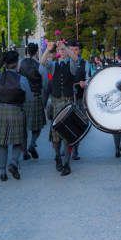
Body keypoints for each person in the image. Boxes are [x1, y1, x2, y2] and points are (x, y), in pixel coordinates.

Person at [0, 50, 32, 182]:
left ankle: (2, 171)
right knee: (17, 141)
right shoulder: (22, 79)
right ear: (16, 64)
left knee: (2, 143)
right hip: (15, 111)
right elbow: (28, 98)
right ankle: (13, 163)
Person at [41, 39, 79, 176]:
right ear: (56, 53)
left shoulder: (71, 64)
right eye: (60, 50)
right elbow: (42, 62)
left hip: (68, 103)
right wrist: (48, 49)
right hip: (56, 103)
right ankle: (57, 157)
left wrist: (65, 47)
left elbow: (75, 59)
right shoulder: (53, 65)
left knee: (67, 135)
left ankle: (67, 164)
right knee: (56, 137)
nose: (61, 52)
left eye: (63, 50)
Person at [18, 43, 47, 160]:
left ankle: (24, 151)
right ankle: (31, 144)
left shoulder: (20, 63)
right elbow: (45, 85)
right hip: (35, 97)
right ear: (36, 52)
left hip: (22, 97)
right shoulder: (40, 66)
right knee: (37, 126)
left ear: (27, 52)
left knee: (24, 126)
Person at [68, 40, 89, 160]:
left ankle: (75, 149)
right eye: (71, 49)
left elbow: (89, 79)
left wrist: (84, 83)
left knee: (77, 124)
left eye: (76, 49)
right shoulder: (64, 62)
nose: (74, 52)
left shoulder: (84, 63)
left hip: (79, 98)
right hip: (66, 97)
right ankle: (65, 148)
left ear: (79, 50)